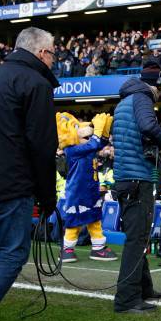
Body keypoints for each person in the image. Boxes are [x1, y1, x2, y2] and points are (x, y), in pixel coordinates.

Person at [0, 27, 60, 321]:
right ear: (42, 53)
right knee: (13, 254)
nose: (54, 60)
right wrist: (47, 195)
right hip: (11, 185)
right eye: (53, 53)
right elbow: (42, 145)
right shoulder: (35, 83)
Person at [112, 61, 161, 313]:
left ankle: (144, 288)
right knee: (137, 238)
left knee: (139, 236)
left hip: (128, 178)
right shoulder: (142, 98)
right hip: (136, 178)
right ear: (157, 83)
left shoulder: (126, 99)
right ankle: (126, 299)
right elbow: (148, 126)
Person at [56, 112, 118, 263]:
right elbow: (94, 143)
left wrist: (105, 129)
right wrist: (97, 129)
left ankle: (98, 248)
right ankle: (67, 249)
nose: (85, 130)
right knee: (75, 221)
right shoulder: (72, 150)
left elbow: (100, 143)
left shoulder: (87, 148)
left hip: (91, 190)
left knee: (94, 218)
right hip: (77, 192)